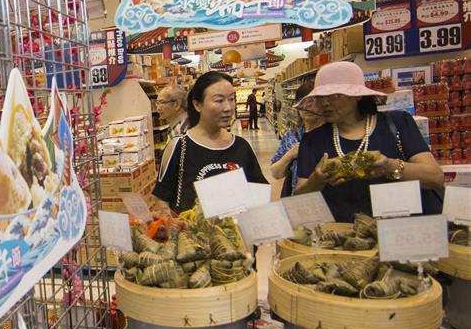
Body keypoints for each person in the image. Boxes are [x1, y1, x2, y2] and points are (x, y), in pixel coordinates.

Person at [295, 61, 444, 222]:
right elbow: (299, 201)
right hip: (344, 233)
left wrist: (390, 166)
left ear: (357, 95)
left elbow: (435, 178)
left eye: (335, 96)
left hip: (402, 228)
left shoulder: (398, 123)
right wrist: (316, 180)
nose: (325, 103)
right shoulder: (312, 140)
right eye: (320, 97)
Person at [153, 72, 268, 214]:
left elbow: (260, 197)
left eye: (231, 99)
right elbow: (161, 199)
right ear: (197, 104)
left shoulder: (242, 146)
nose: (228, 107)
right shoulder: (178, 147)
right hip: (192, 228)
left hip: (236, 228)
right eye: (219, 100)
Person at [270, 81, 324, 198]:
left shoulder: (332, 134)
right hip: (299, 199)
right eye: (302, 102)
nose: (308, 108)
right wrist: (291, 154)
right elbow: (275, 173)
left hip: (328, 199)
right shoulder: (292, 136)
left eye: (313, 102)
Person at [155, 84, 188, 179]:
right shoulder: (180, 125)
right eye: (157, 103)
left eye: (162, 102)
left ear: (177, 104)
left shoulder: (181, 130)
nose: (158, 108)